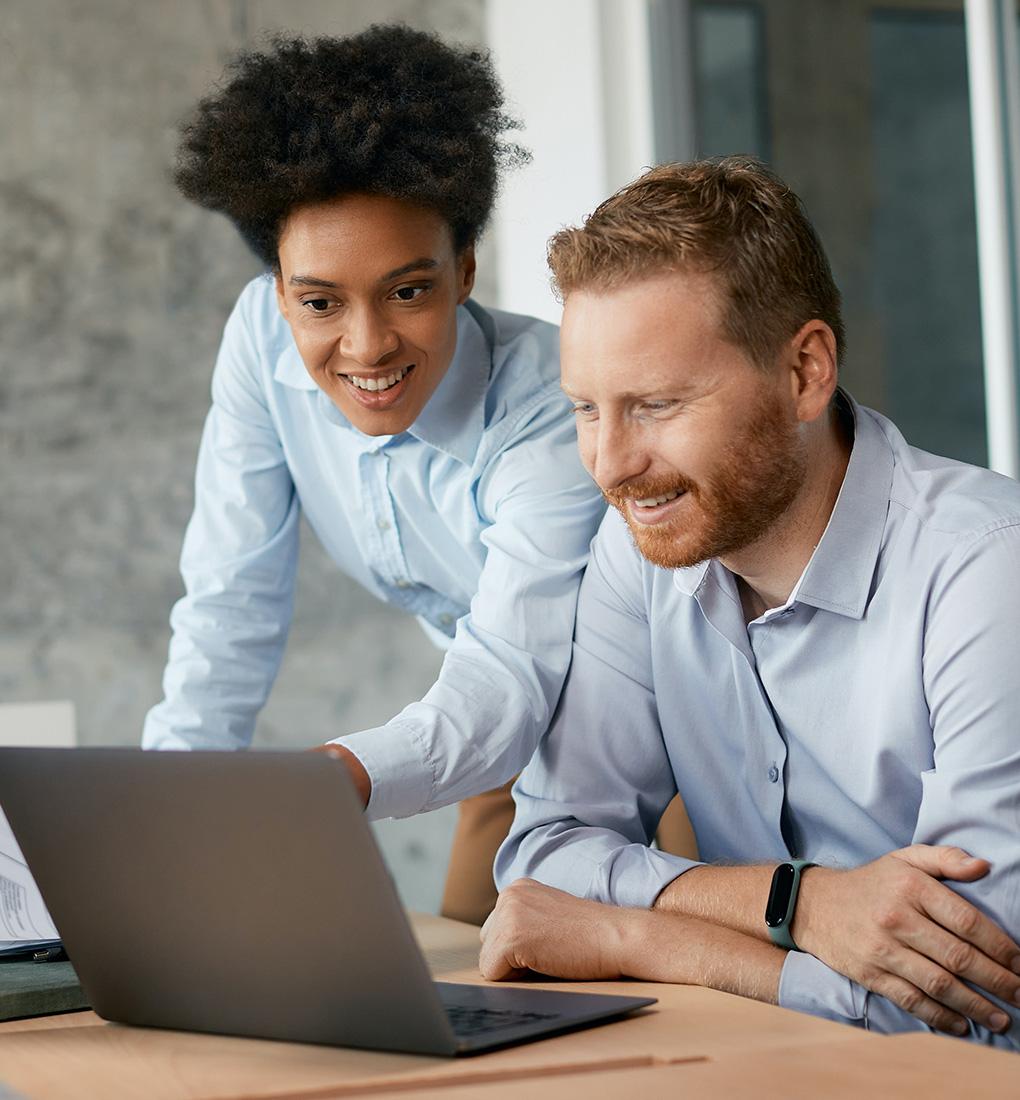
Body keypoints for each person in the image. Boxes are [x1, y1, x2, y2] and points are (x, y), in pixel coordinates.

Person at [481, 157, 1020, 1050]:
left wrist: (634, 934)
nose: (611, 464)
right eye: (586, 409)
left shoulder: (986, 569)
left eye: (654, 405)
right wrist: (798, 905)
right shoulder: (640, 545)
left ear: (805, 371)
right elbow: (546, 856)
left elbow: (974, 994)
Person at [141, 26, 606, 925]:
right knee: (477, 997)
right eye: (319, 301)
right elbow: (229, 601)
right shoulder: (259, 341)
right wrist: (161, 812)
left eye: (407, 290)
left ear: (464, 270)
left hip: (649, 738)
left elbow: (515, 671)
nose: (365, 346)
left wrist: (336, 779)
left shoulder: (553, 406)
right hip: (484, 735)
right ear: (279, 292)